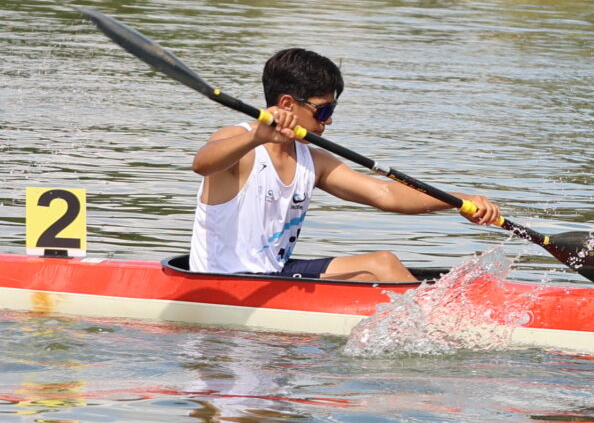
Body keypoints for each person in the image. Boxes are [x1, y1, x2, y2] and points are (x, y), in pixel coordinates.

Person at [187, 46, 500, 282]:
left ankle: (437, 323)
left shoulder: (313, 161)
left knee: (380, 264)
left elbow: (386, 194)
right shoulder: (239, 141)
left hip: (274, 273)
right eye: (323, 111)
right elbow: (203, 163)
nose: (329, 121)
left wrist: (460, 201)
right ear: (287, 104)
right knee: (383, 265)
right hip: (221, 280)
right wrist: (256, 136)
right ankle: (440, 329)